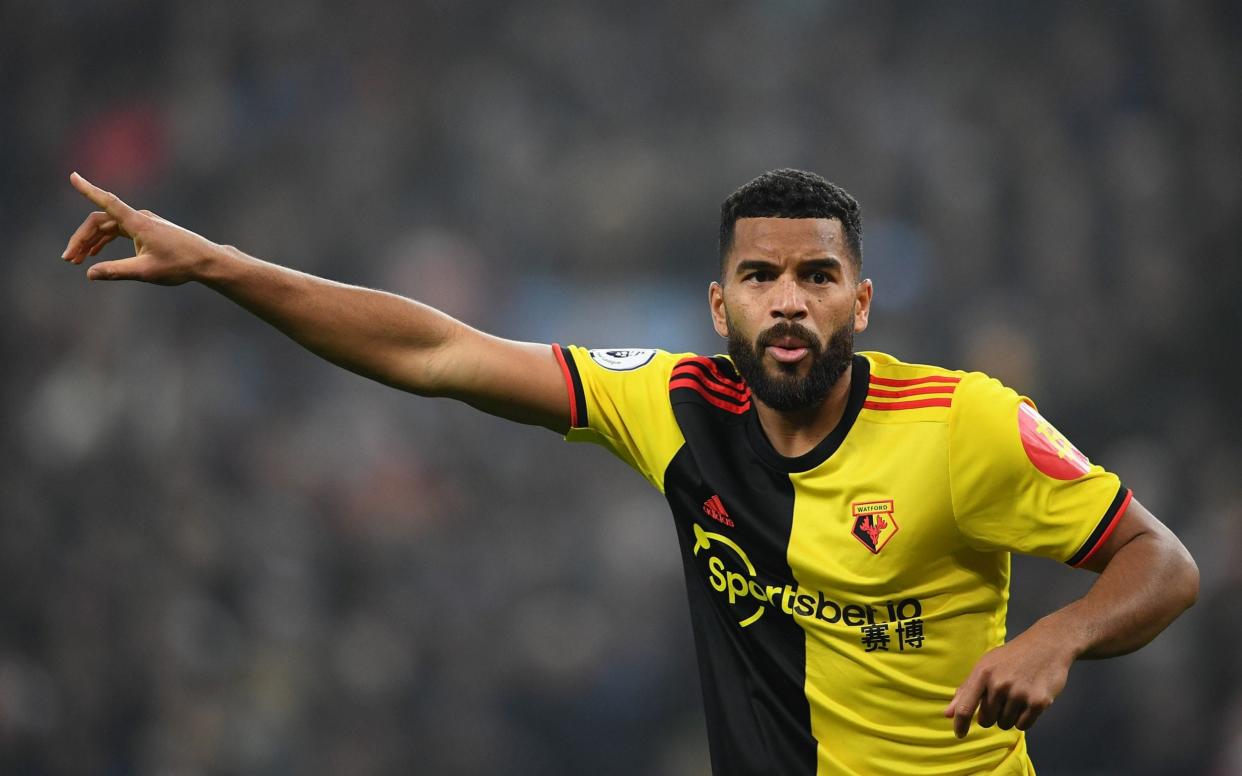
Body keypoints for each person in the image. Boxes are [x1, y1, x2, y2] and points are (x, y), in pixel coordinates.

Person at [61, 167, 1198, 775]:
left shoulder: (965, 421)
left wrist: (1058, 634)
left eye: (815, 274)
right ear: (721, 303)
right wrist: (216, 262)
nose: (787, 298)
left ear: (862, 297)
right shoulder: (673, 404)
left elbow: (1164, 562)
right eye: (759, 275)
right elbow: (440, 349)